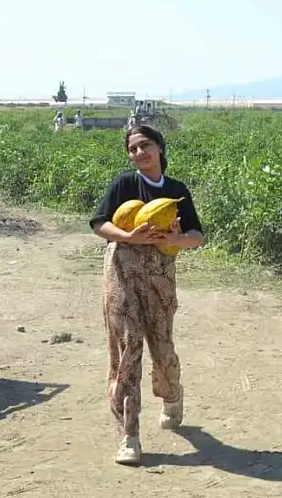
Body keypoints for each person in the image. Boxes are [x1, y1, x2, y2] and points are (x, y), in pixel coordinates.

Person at [88, 125, 204, 465]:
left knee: (161, 344)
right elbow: (98, 223)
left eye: (145, 145)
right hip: (122, 269)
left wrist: (175, 241)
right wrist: (129, 236)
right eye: (133, 148)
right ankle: (129, 435)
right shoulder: (124, 184)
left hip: (160, 276)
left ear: (160, 149)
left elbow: (196, 235)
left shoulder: (176, 190)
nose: (139, 153)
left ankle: (171, 394)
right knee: (126, 350)